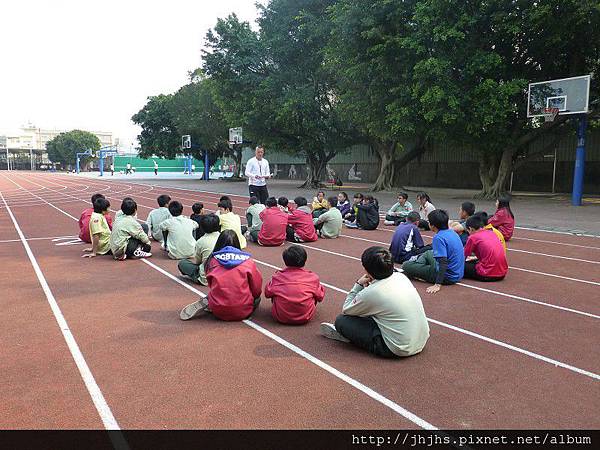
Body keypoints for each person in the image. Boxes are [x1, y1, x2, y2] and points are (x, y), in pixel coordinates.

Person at [320, 247, 429, 358]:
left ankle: (350, 337)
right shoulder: (401, 277)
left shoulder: (373, 292)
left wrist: (358, 284)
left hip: (397, 348)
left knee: (342, 321)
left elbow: (347, 309)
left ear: (367, 271)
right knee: (373, 310)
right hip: (421, 340)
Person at [179, 230, 263, 321]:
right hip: (243, 311)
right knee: (257, 298)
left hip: (218, 311)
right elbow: (257, 289)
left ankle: (211, 301)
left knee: (217, 291)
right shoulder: (248, 261)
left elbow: (211, 284)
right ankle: (230, 303)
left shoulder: (212, 260)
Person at [402, 209, 464, 294]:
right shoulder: (452, 232)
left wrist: (437, 284)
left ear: (433, 226)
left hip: (448, 276)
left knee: (406, 265)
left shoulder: (438, 238)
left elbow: (443, 262)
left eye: (429, 222)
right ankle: (419, 265)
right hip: (458, 273)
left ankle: (416, 266)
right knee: (429, 253)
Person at [265, 246, 325, 325]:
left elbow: (267, 293)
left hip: (281, 317)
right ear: (305, 260)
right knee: (315, 292)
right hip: (305, 317)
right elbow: (320, 297)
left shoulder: (277, 277)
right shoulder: (313, 278)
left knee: (274, 291)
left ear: (285, 260)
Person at [178, 214, 221, 285]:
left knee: (182, 263)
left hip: (207, 277)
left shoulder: (201, 241)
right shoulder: (223, 237)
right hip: (222, 276)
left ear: (203, 228)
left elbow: (197, 261)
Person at [463, 215, 508, 282]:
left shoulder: (473, 237)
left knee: (459, 266)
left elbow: (463, 256)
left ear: (470, 229)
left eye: (468, 231)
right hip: (502, 273)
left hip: (487, 274)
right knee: (473, 262)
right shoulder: (492, 233)